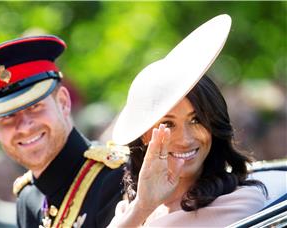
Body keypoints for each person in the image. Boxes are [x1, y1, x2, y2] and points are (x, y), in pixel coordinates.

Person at [0, 35, 128, 228]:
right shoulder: (28, 198)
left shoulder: (117, 177)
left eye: (35, 107)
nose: (24, 126)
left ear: (63, 102)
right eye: (7, 117)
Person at [109, 14, 267, 227]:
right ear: (145, 135)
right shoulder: (129, 209)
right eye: (168, 124)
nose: (185, 139)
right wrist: (142, 208)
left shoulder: (239, 203)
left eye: (196, 120)